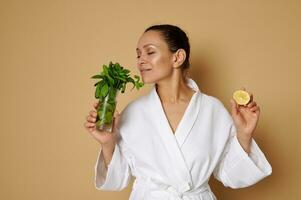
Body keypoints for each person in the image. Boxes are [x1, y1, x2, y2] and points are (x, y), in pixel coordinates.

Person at [84, 24, 272, 200]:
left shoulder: (212, 109)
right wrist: (108, 144)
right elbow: (118, 179)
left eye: (150, 52)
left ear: (177, 57)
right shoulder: (134, 112)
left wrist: (244, 135)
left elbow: (232, 176)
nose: (141, 60)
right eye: (138, 54)